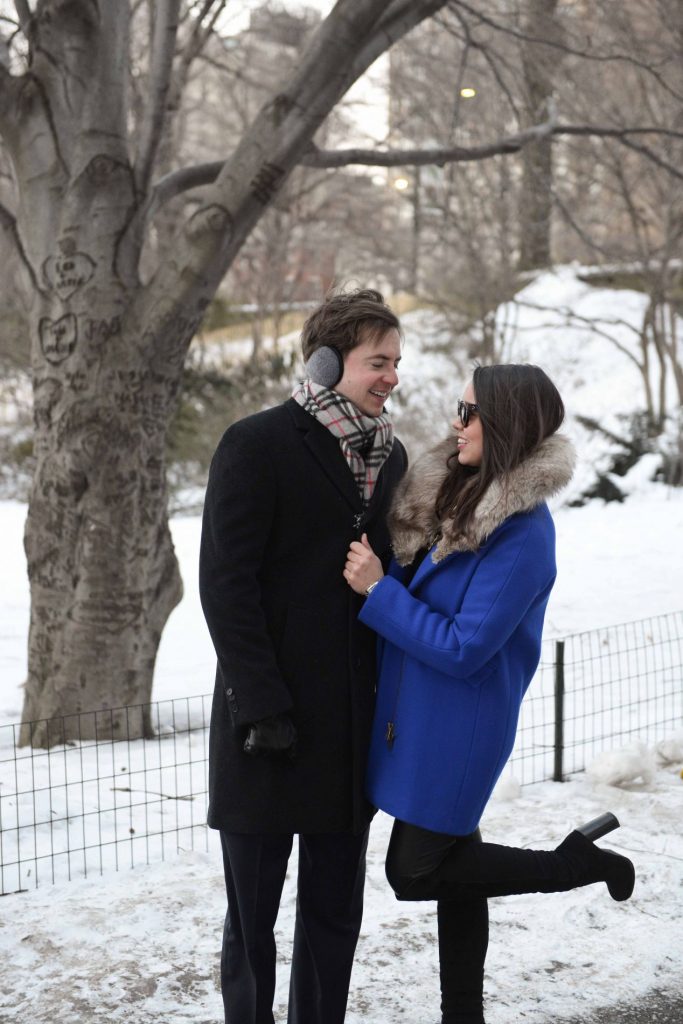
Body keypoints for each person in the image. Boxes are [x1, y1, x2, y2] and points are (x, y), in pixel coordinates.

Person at [343, 363, 635, 1024]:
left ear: (503, 425)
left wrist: (377, 592)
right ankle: (462, 1012)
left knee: (415, 871)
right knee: (456, 869)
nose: (456, 421)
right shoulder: (456, 492)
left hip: (458, 729)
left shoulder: (523, 534)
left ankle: (572, 866)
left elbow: (463, 646)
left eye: (469, 412)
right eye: (458, 407)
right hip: (420, 718)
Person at [199, 288, 407, 1024]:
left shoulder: (392, 457)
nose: (390, 377)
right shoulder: (254, 443)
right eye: (375, 361)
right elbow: (227, 586)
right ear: (326, 363)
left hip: (347, 733)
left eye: (395, 363)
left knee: (331, 919)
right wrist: (262, 707)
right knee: (251, 923)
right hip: (266, 729)